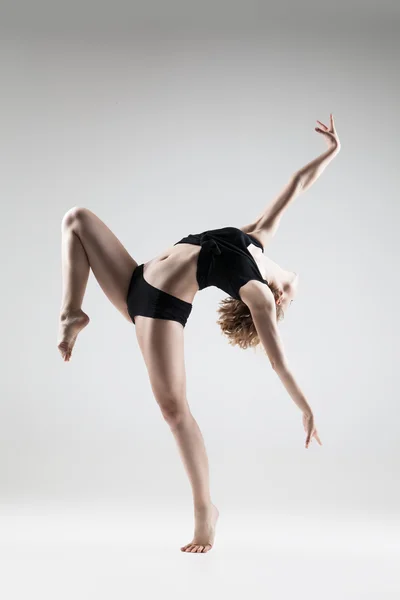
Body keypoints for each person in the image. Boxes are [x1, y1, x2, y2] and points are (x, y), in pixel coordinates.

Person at [57, 114, 340, 553]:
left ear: (279, 300)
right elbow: (296, 185)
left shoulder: (260, 296)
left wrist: (305, 407)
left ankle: (205, 511)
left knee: (175, 411)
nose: (294, 288)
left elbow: (278, 359)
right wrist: (332, 152)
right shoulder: (255, 239)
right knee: (76, 219)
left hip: (157, 309)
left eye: (293, 296)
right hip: (135, 276)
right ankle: (72, 313)